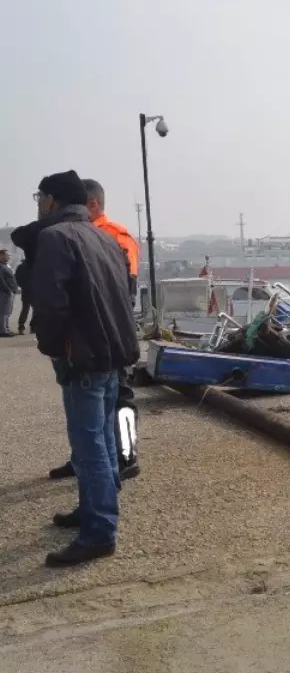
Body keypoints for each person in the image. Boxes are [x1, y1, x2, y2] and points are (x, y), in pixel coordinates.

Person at [31, 170, 140, 567]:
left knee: (89, 443)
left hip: (83, 357)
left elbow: (51, 304)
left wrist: (56, 348)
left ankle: (98, 531)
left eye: (39, 197)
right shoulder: (105, 237)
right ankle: (94, 508)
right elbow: (124, 297)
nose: (38, 204)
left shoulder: (55, 238)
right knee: (105, 441)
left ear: (53, 200)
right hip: (110, 354)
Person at [47, 179, 142, 481]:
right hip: (88, 337)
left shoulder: (116, 237)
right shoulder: (77, 234)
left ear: (93, 204)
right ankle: (81, 460)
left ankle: (126, 456)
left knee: (121, 398)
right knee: (84, 410)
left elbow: (125, 291)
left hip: (111, 332)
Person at [0, 249, 17, 336]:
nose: (8, 257)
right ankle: (3, 331)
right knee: (3, 312)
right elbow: (1, 280)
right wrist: (8, 289)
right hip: (4, 292)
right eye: (6, 255)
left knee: (7, 312)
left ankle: (7, 329)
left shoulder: (6, 266)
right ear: (1, 256)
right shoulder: (1, 267)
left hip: (9, 292)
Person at [15, 256, 32, 335]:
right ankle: (21, 326)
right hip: (28, 290)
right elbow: (17, 278)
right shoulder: (22, 266)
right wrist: (23, 285)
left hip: (32, 290)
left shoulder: (36, 265)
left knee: (27, 309)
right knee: (26, 309)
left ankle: (30, 327)